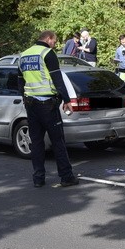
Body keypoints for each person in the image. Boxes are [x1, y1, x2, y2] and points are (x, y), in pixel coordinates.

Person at [18, 30, 79, 188]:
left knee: (37, 143)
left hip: (31, 104)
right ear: (49, 38)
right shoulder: (47, 53)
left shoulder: (23, 55)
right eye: (54, 40)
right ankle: (66, 176)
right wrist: (66, 100)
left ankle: (38, 178)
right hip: (47, 104)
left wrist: (25, 99)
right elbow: (57, 78)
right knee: (58, 141)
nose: (55, 43)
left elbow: (20, 81)